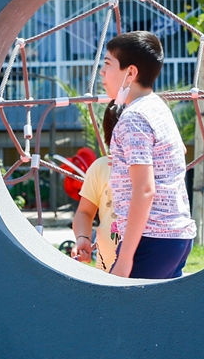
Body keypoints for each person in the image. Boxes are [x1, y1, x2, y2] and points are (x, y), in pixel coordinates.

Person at [100, 31, 195, 279]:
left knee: (119, 313)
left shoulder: (133, 117)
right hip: (176, 236)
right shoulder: (157, 106)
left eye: (108, 63)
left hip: (152, 238)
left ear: (130, 73)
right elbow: (179, 150)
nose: (102, 71)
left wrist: (125, 258)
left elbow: (145, 189)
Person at [71, 104, 122, 272]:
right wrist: (83, 237)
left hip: (147, 262)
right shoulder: (101, 167)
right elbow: (84, 212)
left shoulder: (156, 168)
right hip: (106, 266)